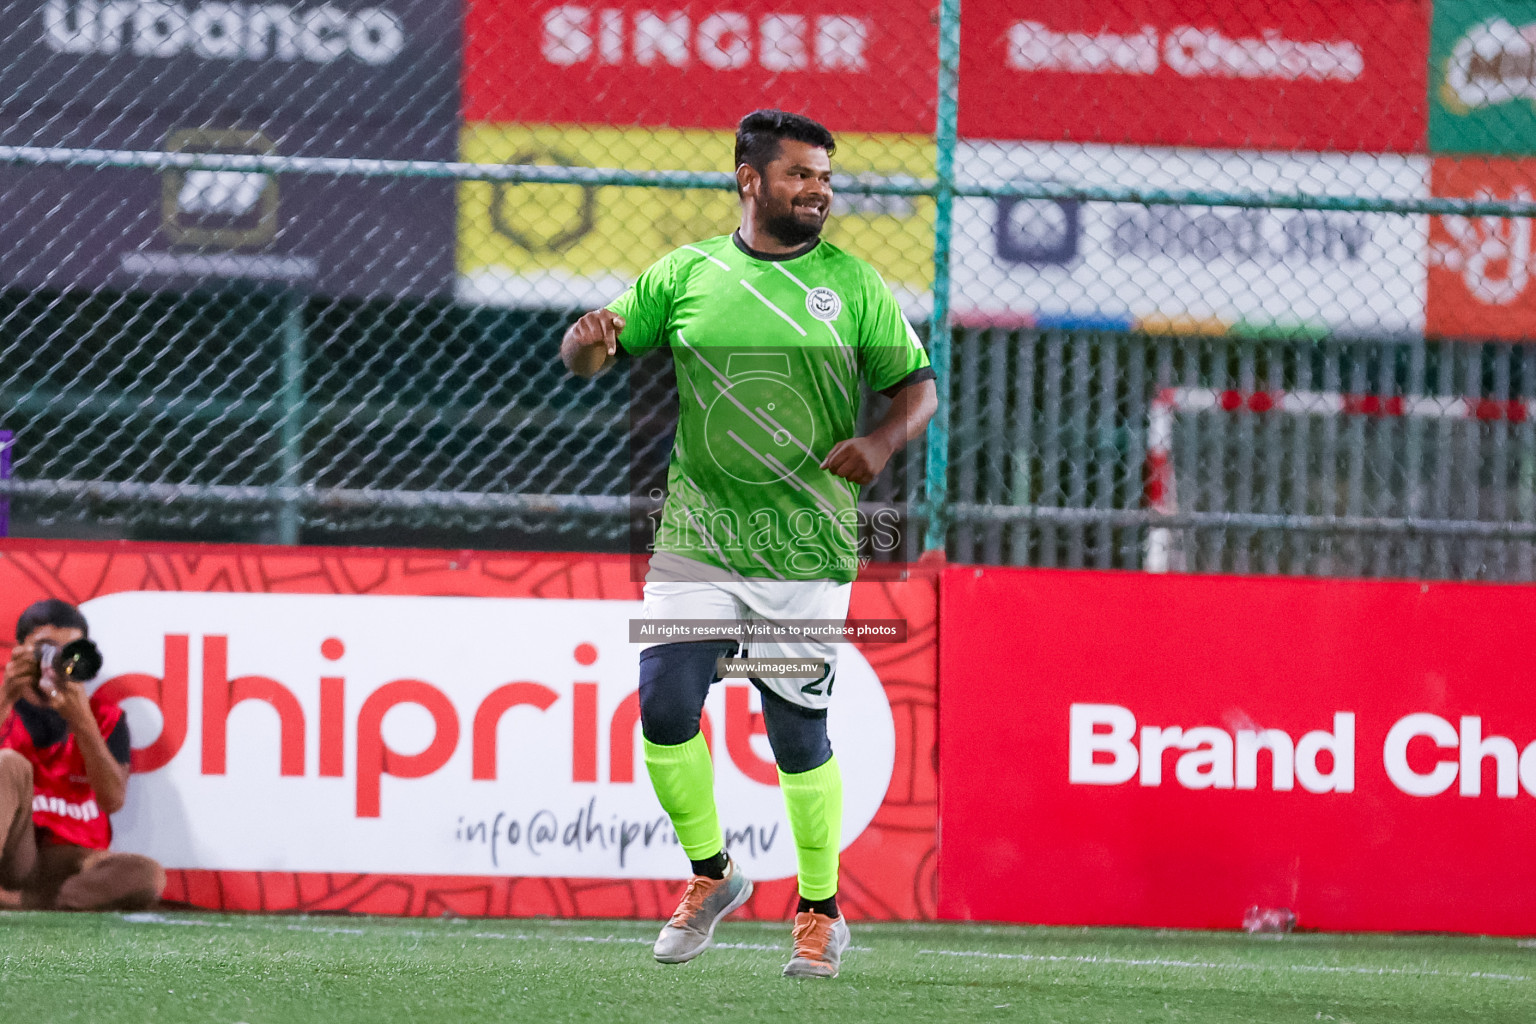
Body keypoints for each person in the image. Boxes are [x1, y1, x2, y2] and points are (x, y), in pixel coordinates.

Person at [560, 109, 937, 978]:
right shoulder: (686, 274)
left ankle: (818, 910)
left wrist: (880, 442)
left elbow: (917, 387)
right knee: (663, 708)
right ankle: (711, 876)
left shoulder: (855, 285)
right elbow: (594, 355)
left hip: (803, 542)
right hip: (698, 532)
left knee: (796, 734)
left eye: (826, 178)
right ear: (749, 178)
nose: (819, 192)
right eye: (801, 175)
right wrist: (584, 344)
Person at [0, 598, 164, 910]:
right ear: (20, 651)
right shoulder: (4, 707)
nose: (56, 662)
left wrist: (82, 719)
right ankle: (25, 898)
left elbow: (112, 800)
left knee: (146, 874)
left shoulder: (105, 718)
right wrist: (5, 696)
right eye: (44, 649)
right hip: (15, 853)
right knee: (8, 763)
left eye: (70, 652)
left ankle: (27, 904)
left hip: (75, 861)